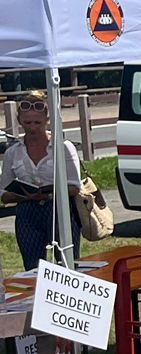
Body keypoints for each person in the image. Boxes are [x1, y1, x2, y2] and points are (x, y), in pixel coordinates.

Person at [2, 91, 83, 270]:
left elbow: (74, 187)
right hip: (27, 212)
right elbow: (4, 195)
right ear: (19, 121)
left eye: (37, 123)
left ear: (47, 119)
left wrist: (49, 192)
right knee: (32, 267)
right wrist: (26, 196)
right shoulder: (13, 152)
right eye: (27, 123)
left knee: (67, 264)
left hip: (59, 210)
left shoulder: (63, 147)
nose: (32, 128)